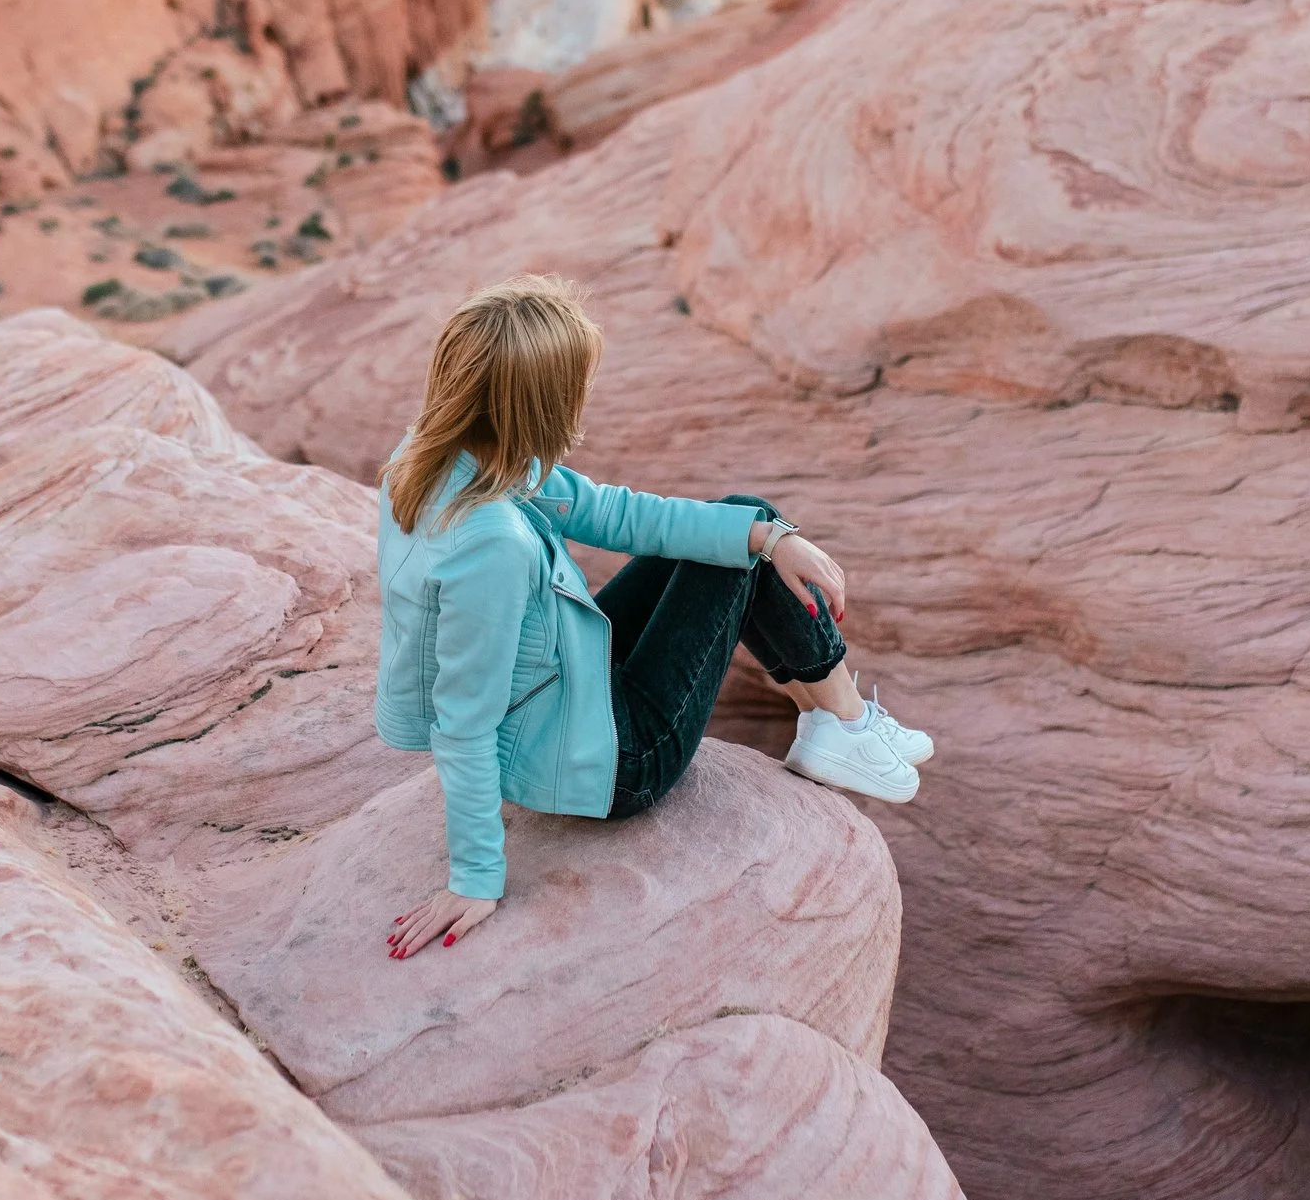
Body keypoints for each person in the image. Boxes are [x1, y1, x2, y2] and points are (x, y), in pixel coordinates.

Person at [376, 275, 932, 960]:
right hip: (618, 762)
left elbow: (615, 512)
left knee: (744, 523)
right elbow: (463, 717)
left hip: (563, 695)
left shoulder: (438, 457)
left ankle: (840, 720)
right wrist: (476, 877)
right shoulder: (489, 544)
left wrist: (773, 535)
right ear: (541, 402)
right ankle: (844, 724)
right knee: (740, 554)